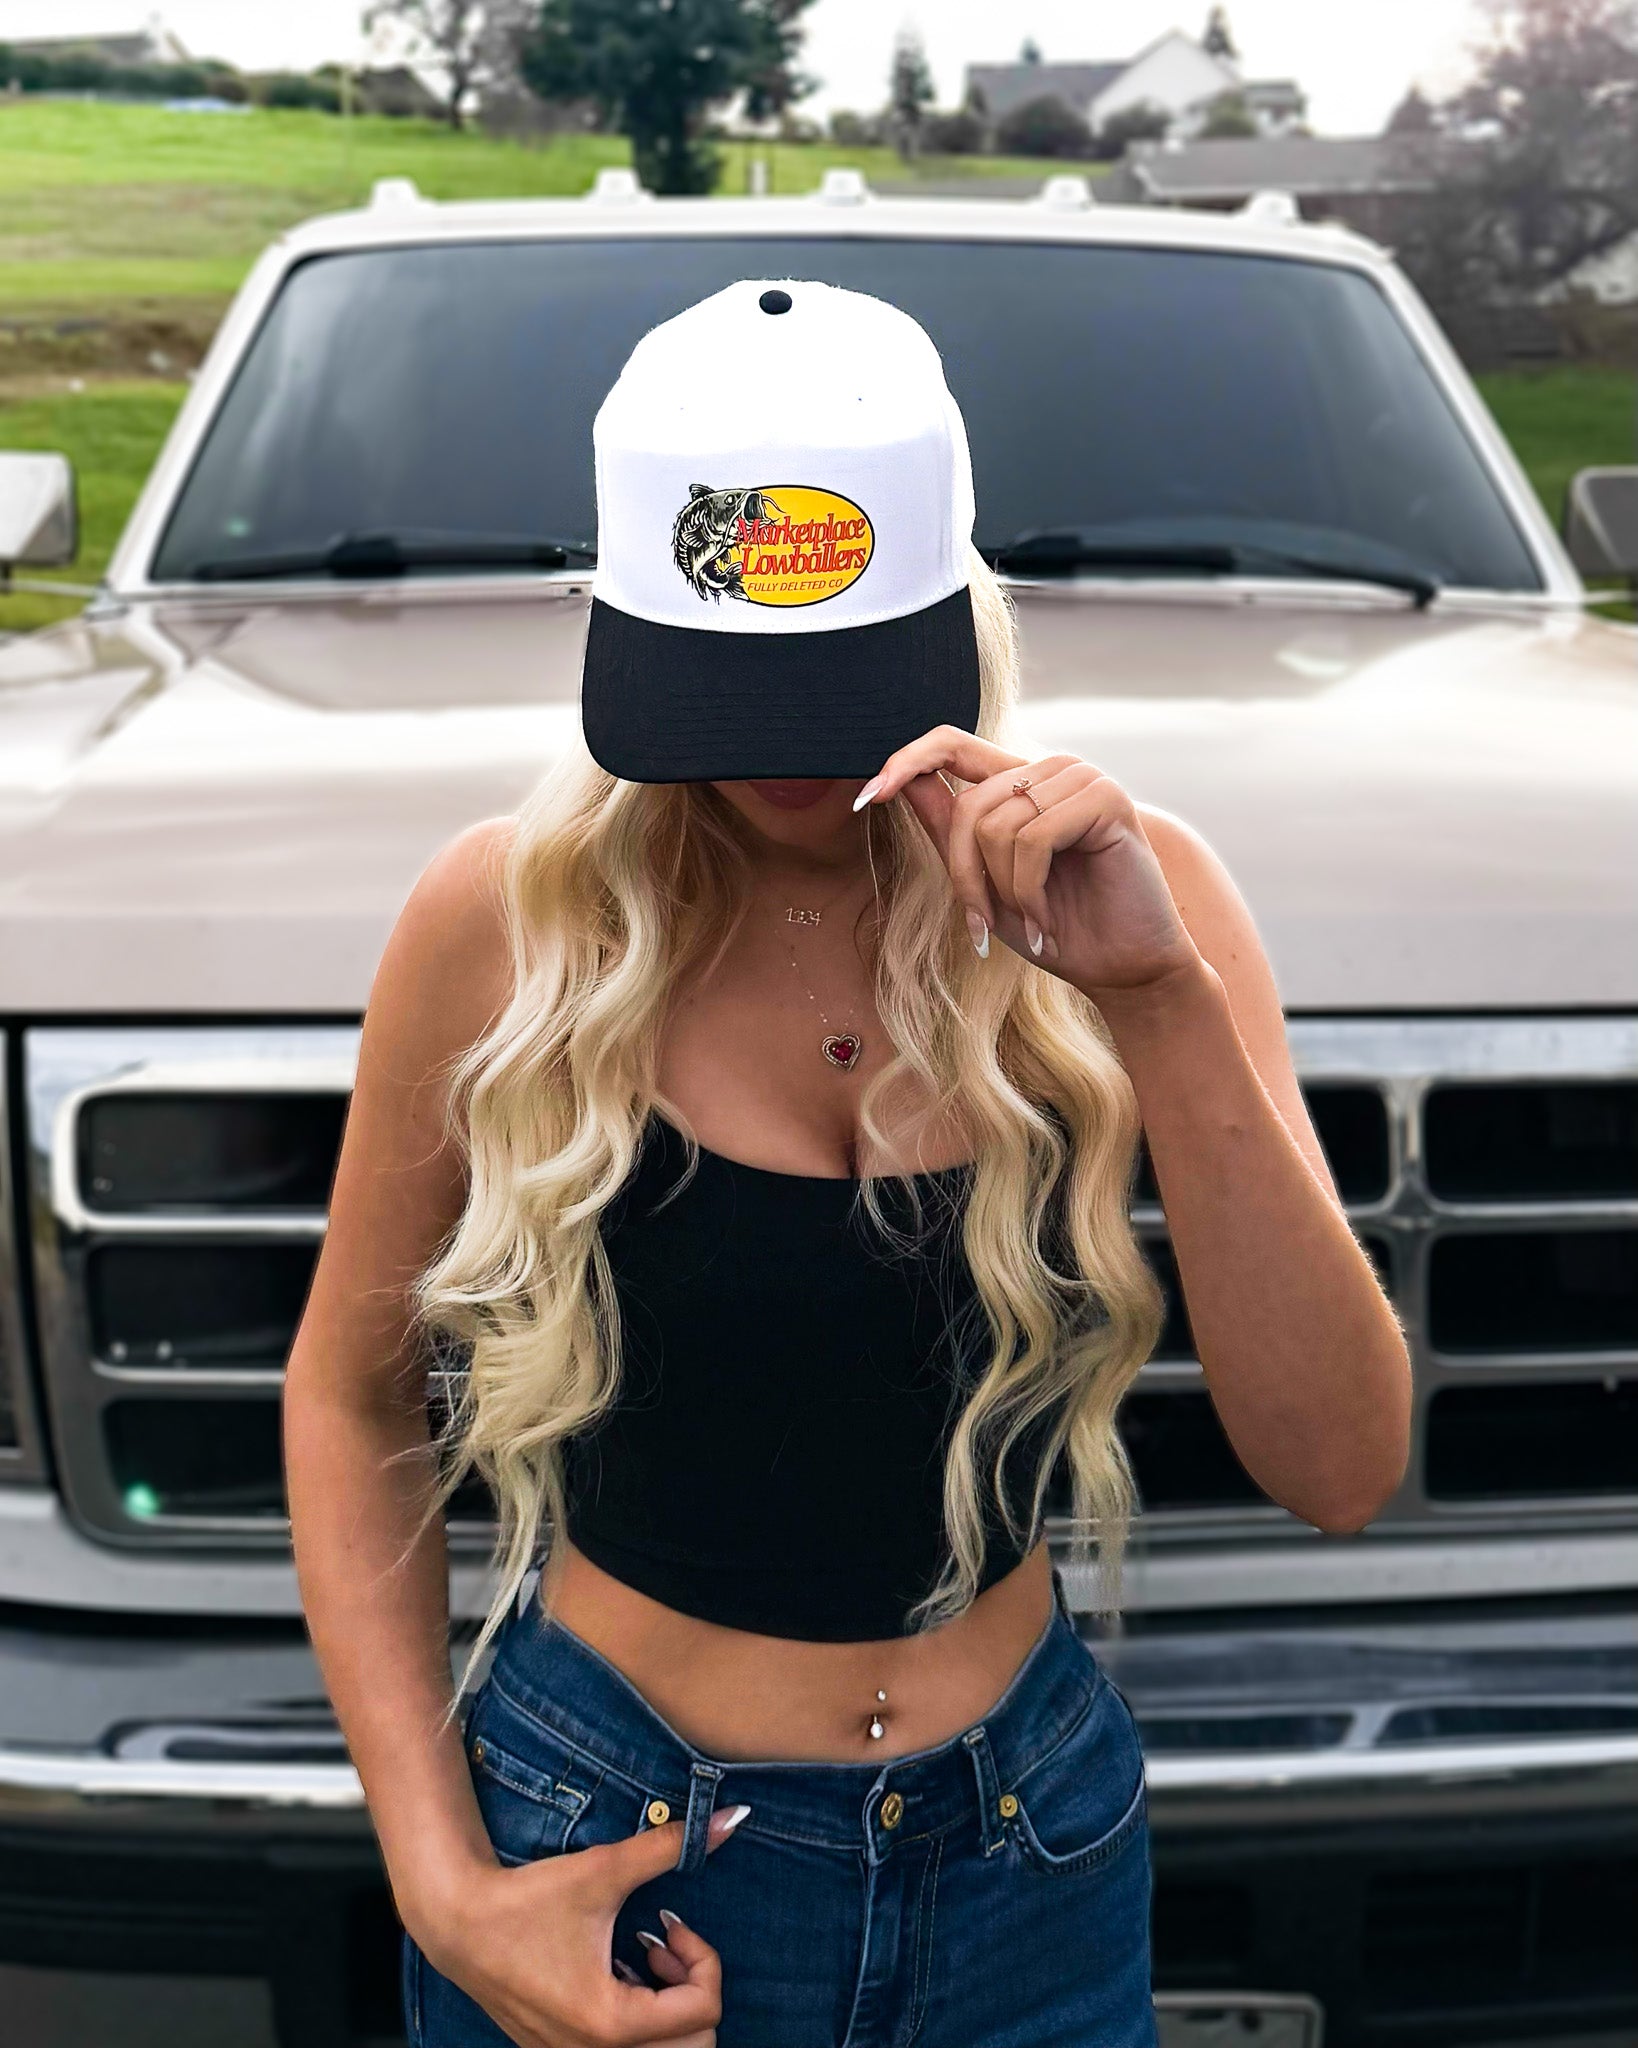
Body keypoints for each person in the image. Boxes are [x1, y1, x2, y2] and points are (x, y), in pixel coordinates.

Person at [285, 280, 1411, 2048]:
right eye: (721, 683)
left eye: (839, 676)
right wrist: (441, 1883)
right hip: (615, 1854)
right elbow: (351, 1405)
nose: (789, 750)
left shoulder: (1132, 893)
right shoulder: (508, 918)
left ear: (959, 608)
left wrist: (1157, 998)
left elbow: (1340, 1467)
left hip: (1029, 1855)